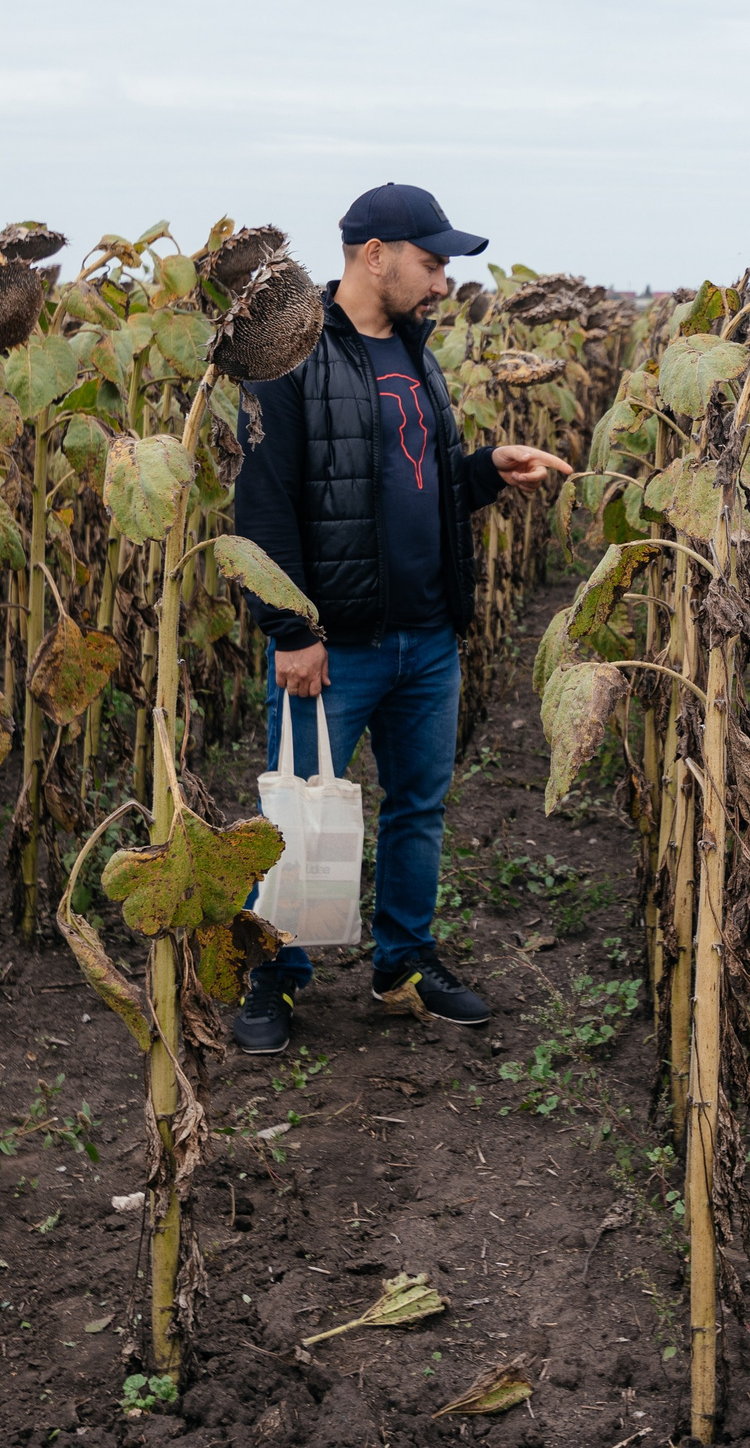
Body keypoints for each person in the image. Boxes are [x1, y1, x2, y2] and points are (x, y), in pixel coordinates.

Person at [231, 183, 574, 1054]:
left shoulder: (416, 354)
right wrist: (291, 632)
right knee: (298, 815)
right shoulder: (287, 355)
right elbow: (264, 506)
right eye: (431, 262)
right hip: (335, 645)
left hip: (425, 638)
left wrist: (488, 467)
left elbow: (415, 487)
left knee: (417, 807)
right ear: (373, 253)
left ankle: (403, 965)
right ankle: (274, 972)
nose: (441, 280)